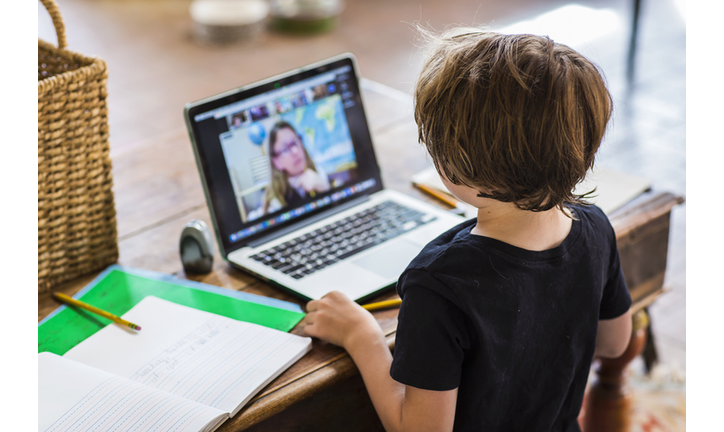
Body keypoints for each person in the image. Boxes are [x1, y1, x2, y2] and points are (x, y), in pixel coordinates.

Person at [302, 28, 633, 432]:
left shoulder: (439, 283)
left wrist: (362, 336)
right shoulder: (594, 226)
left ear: (454, 166)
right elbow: (614, 342)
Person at [263, 120, 331, 214]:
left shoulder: (319, 173)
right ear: (277, 162)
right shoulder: (275, 202)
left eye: (295, 143)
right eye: (285, 149)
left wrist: (326, 189)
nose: (295, 151)